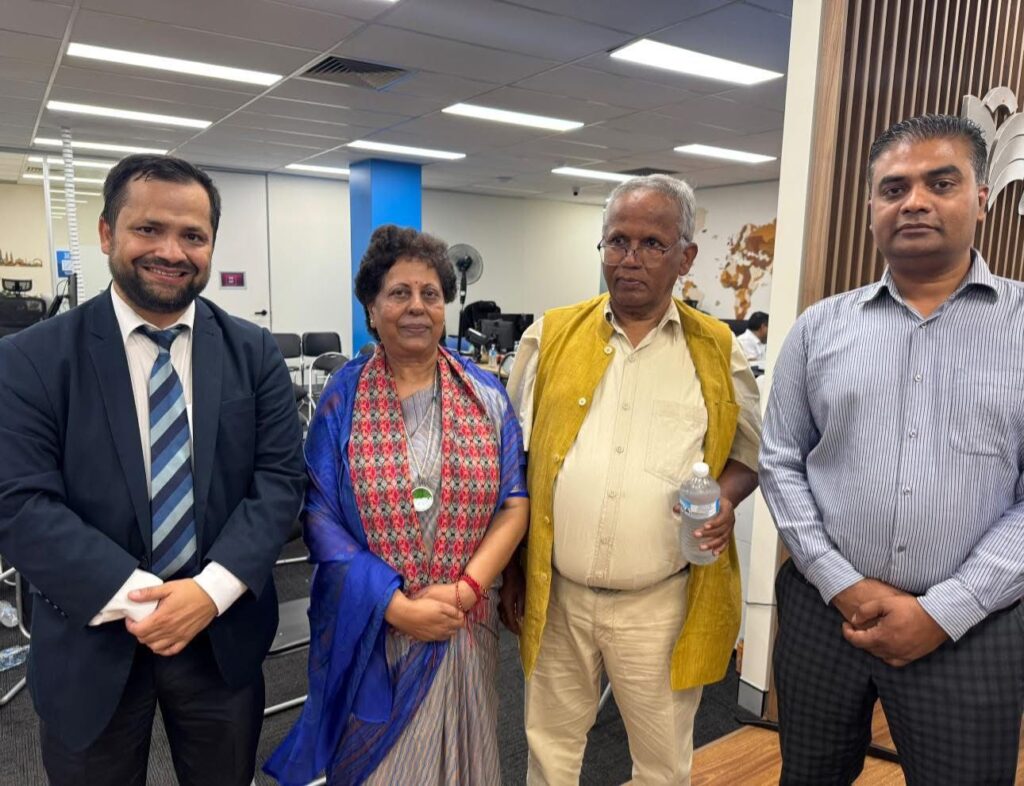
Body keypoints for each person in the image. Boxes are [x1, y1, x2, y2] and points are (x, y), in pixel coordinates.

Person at [0, 154, 306, 785]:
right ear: (107, 233)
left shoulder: (254, 353)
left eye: (193, 235)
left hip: (220, 635)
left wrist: (209, 591)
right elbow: (19, 502)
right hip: (91, 641)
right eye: (148, 229)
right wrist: (137, 600)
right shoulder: (30, 359)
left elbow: (279, 483)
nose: (171, 251)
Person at [760, 114, 1024, 784]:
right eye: (894, 188)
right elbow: (781, 461)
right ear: (872, 207)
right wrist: (841, 583)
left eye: (941, 183)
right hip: (824, 612)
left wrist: (945, 610)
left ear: (982, 199)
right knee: (809, 775)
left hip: (973, 625)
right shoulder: (820, 328)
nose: (914, 202)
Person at [503, 174, 761, 785]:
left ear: (685, 257)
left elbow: (748, 455)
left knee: (661, 765)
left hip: (660, 605)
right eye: (617, 241)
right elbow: (513, 462)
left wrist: (724, 500)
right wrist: (513, 569)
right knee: (548, 754)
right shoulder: (549, 336)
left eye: (651, 243)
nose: (630, 259)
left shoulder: (717, 350)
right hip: (559, 595)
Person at [265, 225, 529, 786]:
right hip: (375, 630)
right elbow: (319, 516)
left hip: (462, 623)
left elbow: (514, 505)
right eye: (399, 293)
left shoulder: (487, 396)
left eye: (430, 294)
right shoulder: (342, 399)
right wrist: (393, 605)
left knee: (467, 758)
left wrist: (465, 590)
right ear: (371, 307)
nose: (416, 307)